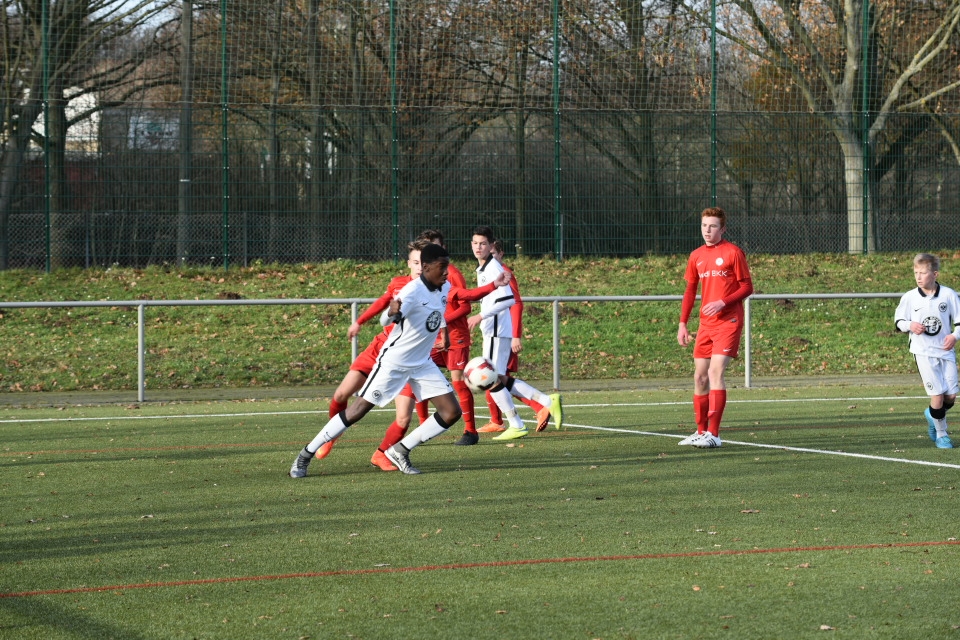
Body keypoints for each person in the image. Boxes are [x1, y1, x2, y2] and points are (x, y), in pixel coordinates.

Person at [290, 242, 461, 477]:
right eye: (441, 267)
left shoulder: (444, 287)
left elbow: (438, 312)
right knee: (357, 410)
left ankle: (399, 451)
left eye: (447, 267)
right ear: (426, 267)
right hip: (395, 362)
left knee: (451, 412)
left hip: (421, 363)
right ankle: (305, 455)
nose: (446, 272)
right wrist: (392, 312)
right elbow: (385, 320)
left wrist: (445, 334)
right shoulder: (411, 292)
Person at [321, 239, 431, 471]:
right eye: (415, 262)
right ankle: (331, 434)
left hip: (407, 357)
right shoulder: (398, 284)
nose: (420, 266)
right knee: (341, 394)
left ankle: (381, 455)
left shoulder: (436, 289)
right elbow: (382, 303)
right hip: (379, 348)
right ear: (409, 263)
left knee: (403, 418)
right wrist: (359, 321)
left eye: (423, 262)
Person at [467, 225, 562, 440]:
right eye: (475, 243)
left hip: (497, 330)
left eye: (483, 243)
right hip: (495, 330)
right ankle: (546, 402)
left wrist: (479, 317)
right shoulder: (484, 268)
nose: (478, 247)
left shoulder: (493, 269)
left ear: (491, 245)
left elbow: (509, 299)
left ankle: (516, 423)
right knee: (499, 377)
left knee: (489, 379)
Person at [676, 206, 753, 449]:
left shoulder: (733, 253)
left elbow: (747, 287)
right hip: (706, 324)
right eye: (704, 226)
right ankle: (700, 432)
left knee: (715, 373)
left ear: (723, 229)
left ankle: (715, 434)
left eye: (712, 226)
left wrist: (723, 301)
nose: (707, 230)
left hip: (729, 322)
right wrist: (683, 324)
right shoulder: (696, 255)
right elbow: (690, 291)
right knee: (699, 377)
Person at [894, 253, 959, 449]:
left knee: (951, 397)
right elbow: (899, 322)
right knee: (937, 395)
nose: (919, 277)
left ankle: (932, 414)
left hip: (945, 353)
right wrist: (910, 325)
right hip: (923, 352)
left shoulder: (948, 295)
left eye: (923, 273)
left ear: (935, 274)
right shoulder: (910, 297)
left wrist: (954, 336)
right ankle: (941, 434)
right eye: (916, 273)